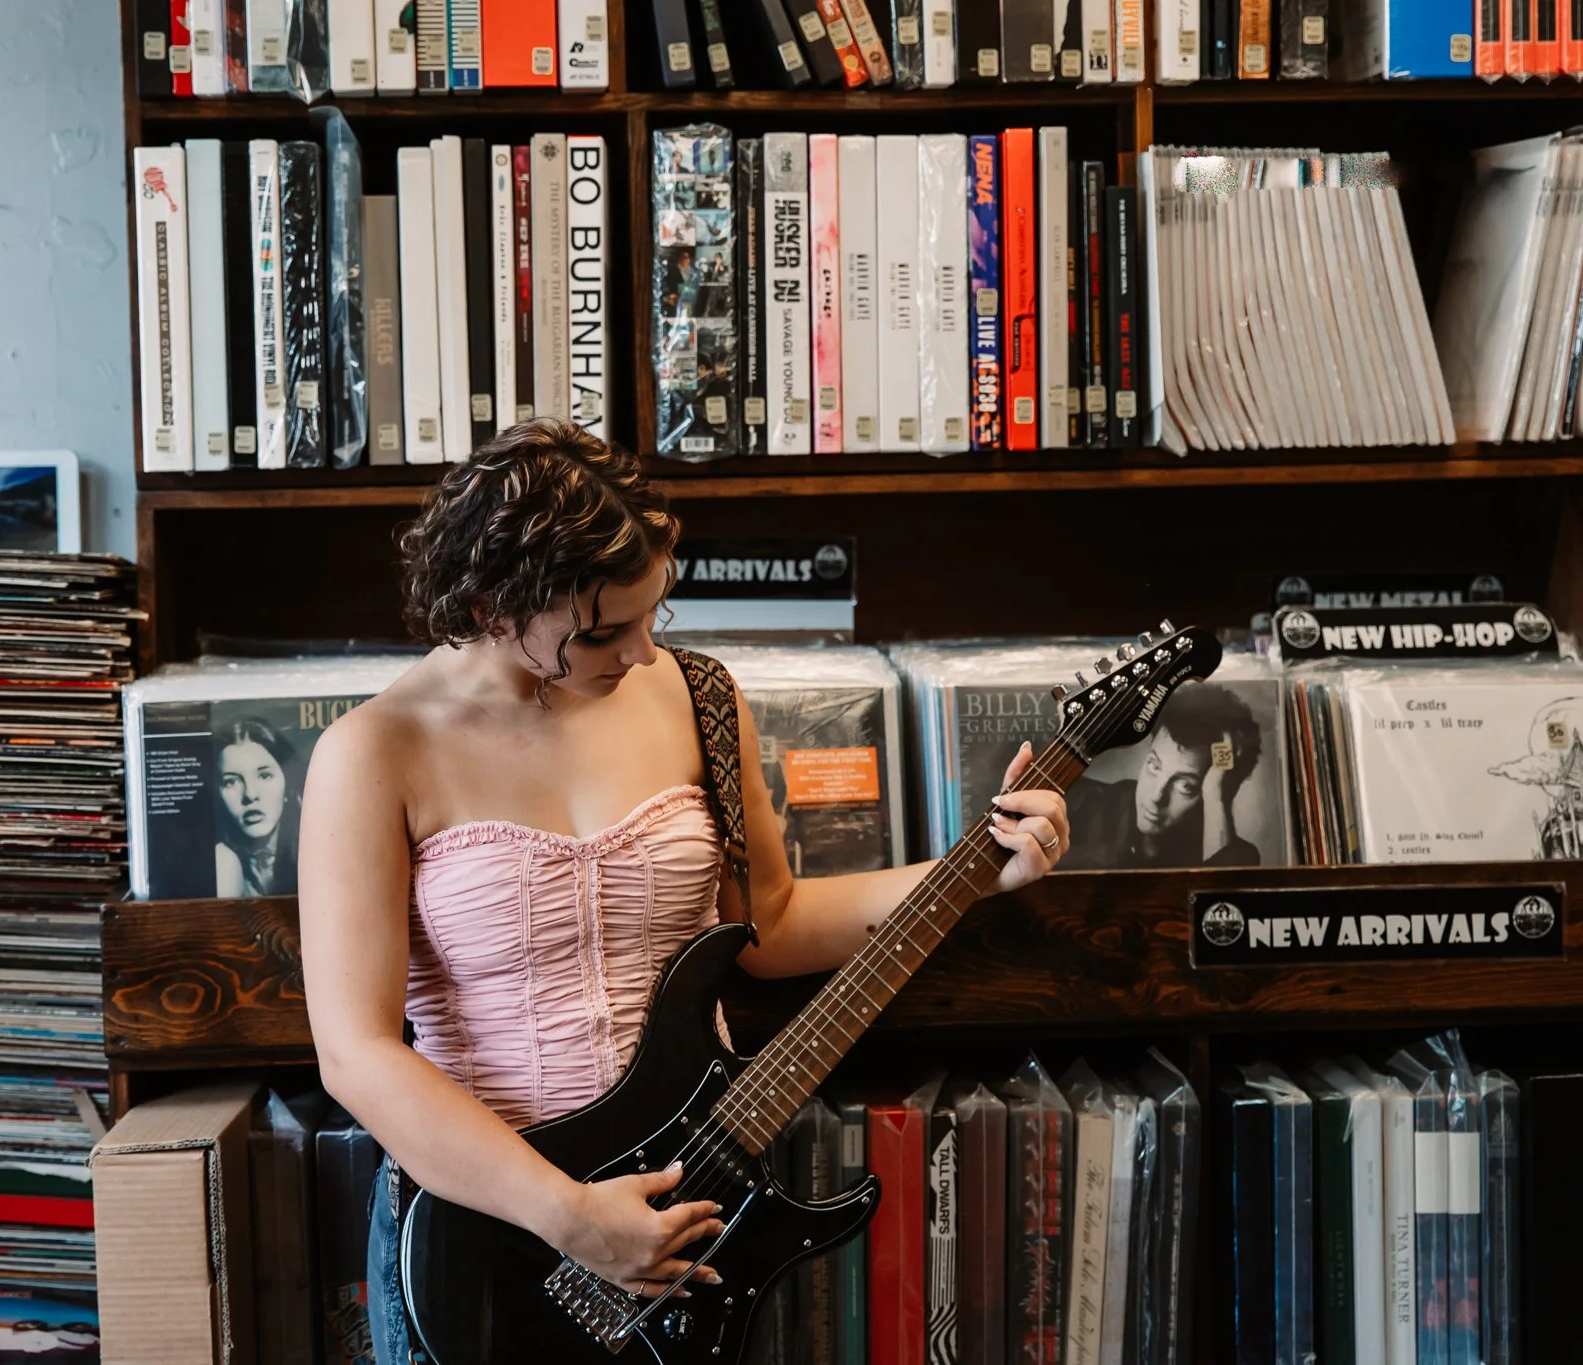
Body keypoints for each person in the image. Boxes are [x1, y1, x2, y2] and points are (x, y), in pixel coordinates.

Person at [299, 421, 1070, 1365]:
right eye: (602, 631)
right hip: (479, 1235)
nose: (640, 652)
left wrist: (980, 869)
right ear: (494, 603)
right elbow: (358, 1054)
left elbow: (774, 924)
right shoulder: (373, 752)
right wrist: (571, 1215)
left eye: (652, 613)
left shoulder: (698, 696)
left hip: (693, 1198)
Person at [1064, 679, 1264, 869]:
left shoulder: (1233, 853)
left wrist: (1217, 796)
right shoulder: (1081, 803)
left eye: (1185, 786)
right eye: (1154, 766)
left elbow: (1221, 902)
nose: (1157, 796)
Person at [213, 717, 302, 896]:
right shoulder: (220, 860)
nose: (250, 795)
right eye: (231, 782)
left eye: (264, 776)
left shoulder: (318, 845)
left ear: (288, 784)